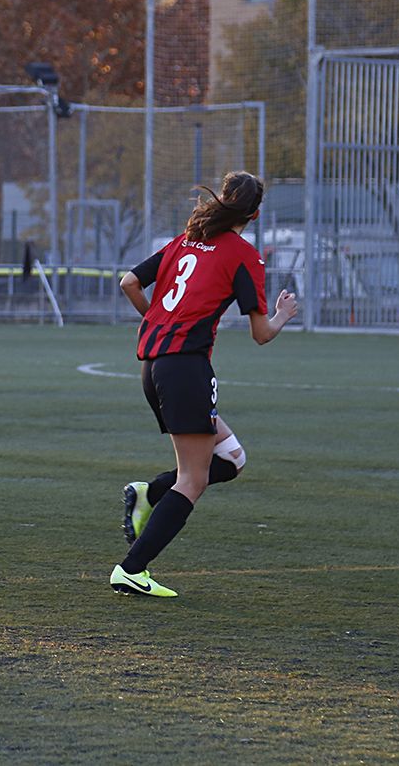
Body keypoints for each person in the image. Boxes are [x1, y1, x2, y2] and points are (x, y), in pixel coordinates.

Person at [110, 171, 299, 599]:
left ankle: (149, 493)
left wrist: (155, 319)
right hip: (186, 370)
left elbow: (129, 282)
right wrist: (284, 314)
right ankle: (132, 569)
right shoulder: (244, 256)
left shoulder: (185, 241)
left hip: (153, 367)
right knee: (192, 480)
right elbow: (261, 334)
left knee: (231, 459)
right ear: (254, 214)